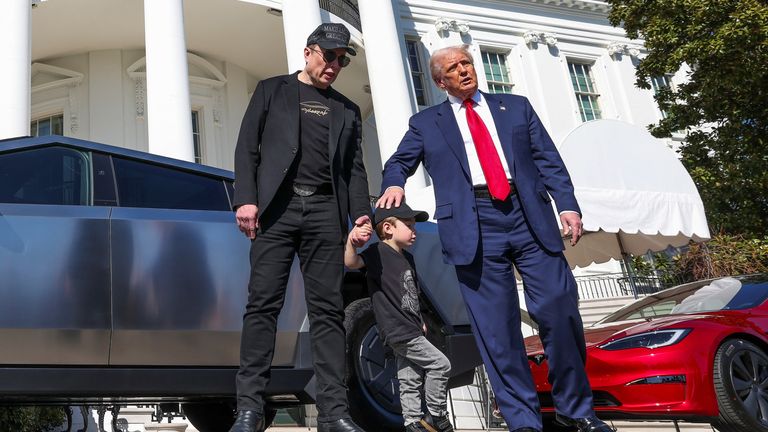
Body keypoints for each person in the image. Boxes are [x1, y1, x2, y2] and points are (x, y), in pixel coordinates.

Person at [376, 46, 612, 432]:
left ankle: (576, 410)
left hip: (528, 213)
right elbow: (400, 160)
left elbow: (548, 160)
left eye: (467, 63)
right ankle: (523, 421)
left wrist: (567, 206)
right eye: (454, 68)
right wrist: (393, 184)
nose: (465, 70)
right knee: (497, 330)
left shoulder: (516, 107)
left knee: (558, 307)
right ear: (440, 82)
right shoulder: (426, 123)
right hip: (473, 222)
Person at [231, 22, 372, 432]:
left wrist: (361, 214)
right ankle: (249, 409)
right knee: (262, 307)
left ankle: (334, 413)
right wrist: (246, 199)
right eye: (328, 56)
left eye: (341, 59)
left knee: (328, 312)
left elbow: (355, 170)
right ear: (309, 52)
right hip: (278, 209)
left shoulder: (346, 109)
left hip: (326, 212)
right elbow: (247, 147)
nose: (334, 65)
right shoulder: (271, 90)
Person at [344, 204, 454, 432]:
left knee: (409, 377)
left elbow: (412, 295)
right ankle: (436, 414)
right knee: (441, 364)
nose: (414, 231)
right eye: (409, 226)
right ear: (388, 228)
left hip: (412, 327)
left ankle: (412, 423)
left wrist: (420, 320)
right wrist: (351, 243)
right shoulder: (377, 253)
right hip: (397, 329)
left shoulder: (408, 258)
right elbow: (351, 263)